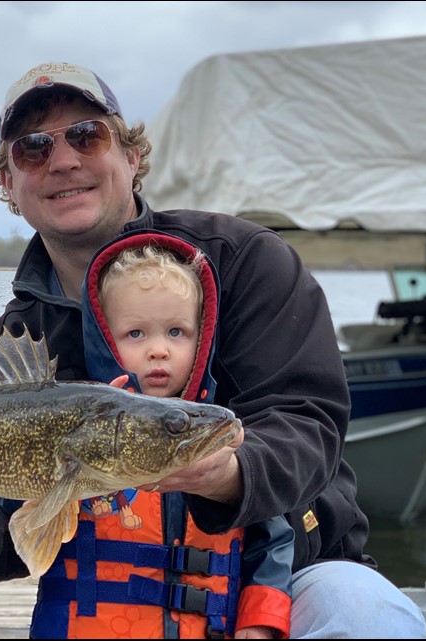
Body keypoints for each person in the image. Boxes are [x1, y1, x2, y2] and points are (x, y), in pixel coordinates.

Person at [0, 62, 426, 638]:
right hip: (121, 608)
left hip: (293, 577)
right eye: (33, 149)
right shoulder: (14, 347)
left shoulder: (242, 261)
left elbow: (306, 419)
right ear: (7, 185)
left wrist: (230, 472)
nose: (63, 160)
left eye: (88, 135)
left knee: (367, 619)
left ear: (132, 158)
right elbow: (13, 537)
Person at [47, 234, 292, 639]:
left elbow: (273, 540)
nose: (159, 350)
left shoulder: (215, 440)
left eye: (176, 333)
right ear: (106, 339)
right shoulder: (74, 424)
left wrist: (261, 621)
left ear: (203, 336)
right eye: (137, 334)